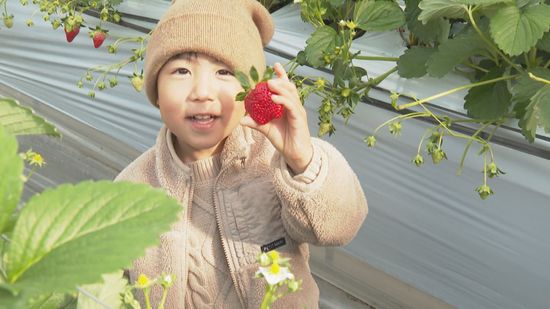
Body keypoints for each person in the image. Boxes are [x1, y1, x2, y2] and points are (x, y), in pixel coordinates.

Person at [115, 0, 368, 307]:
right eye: (181, 70)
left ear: (250, 89)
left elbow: (339, 227)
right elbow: (112, 286)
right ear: (156, 88)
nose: (202, 92)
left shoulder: (273, 166)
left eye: (223, 72)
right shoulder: (131, 189)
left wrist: (303, 159)